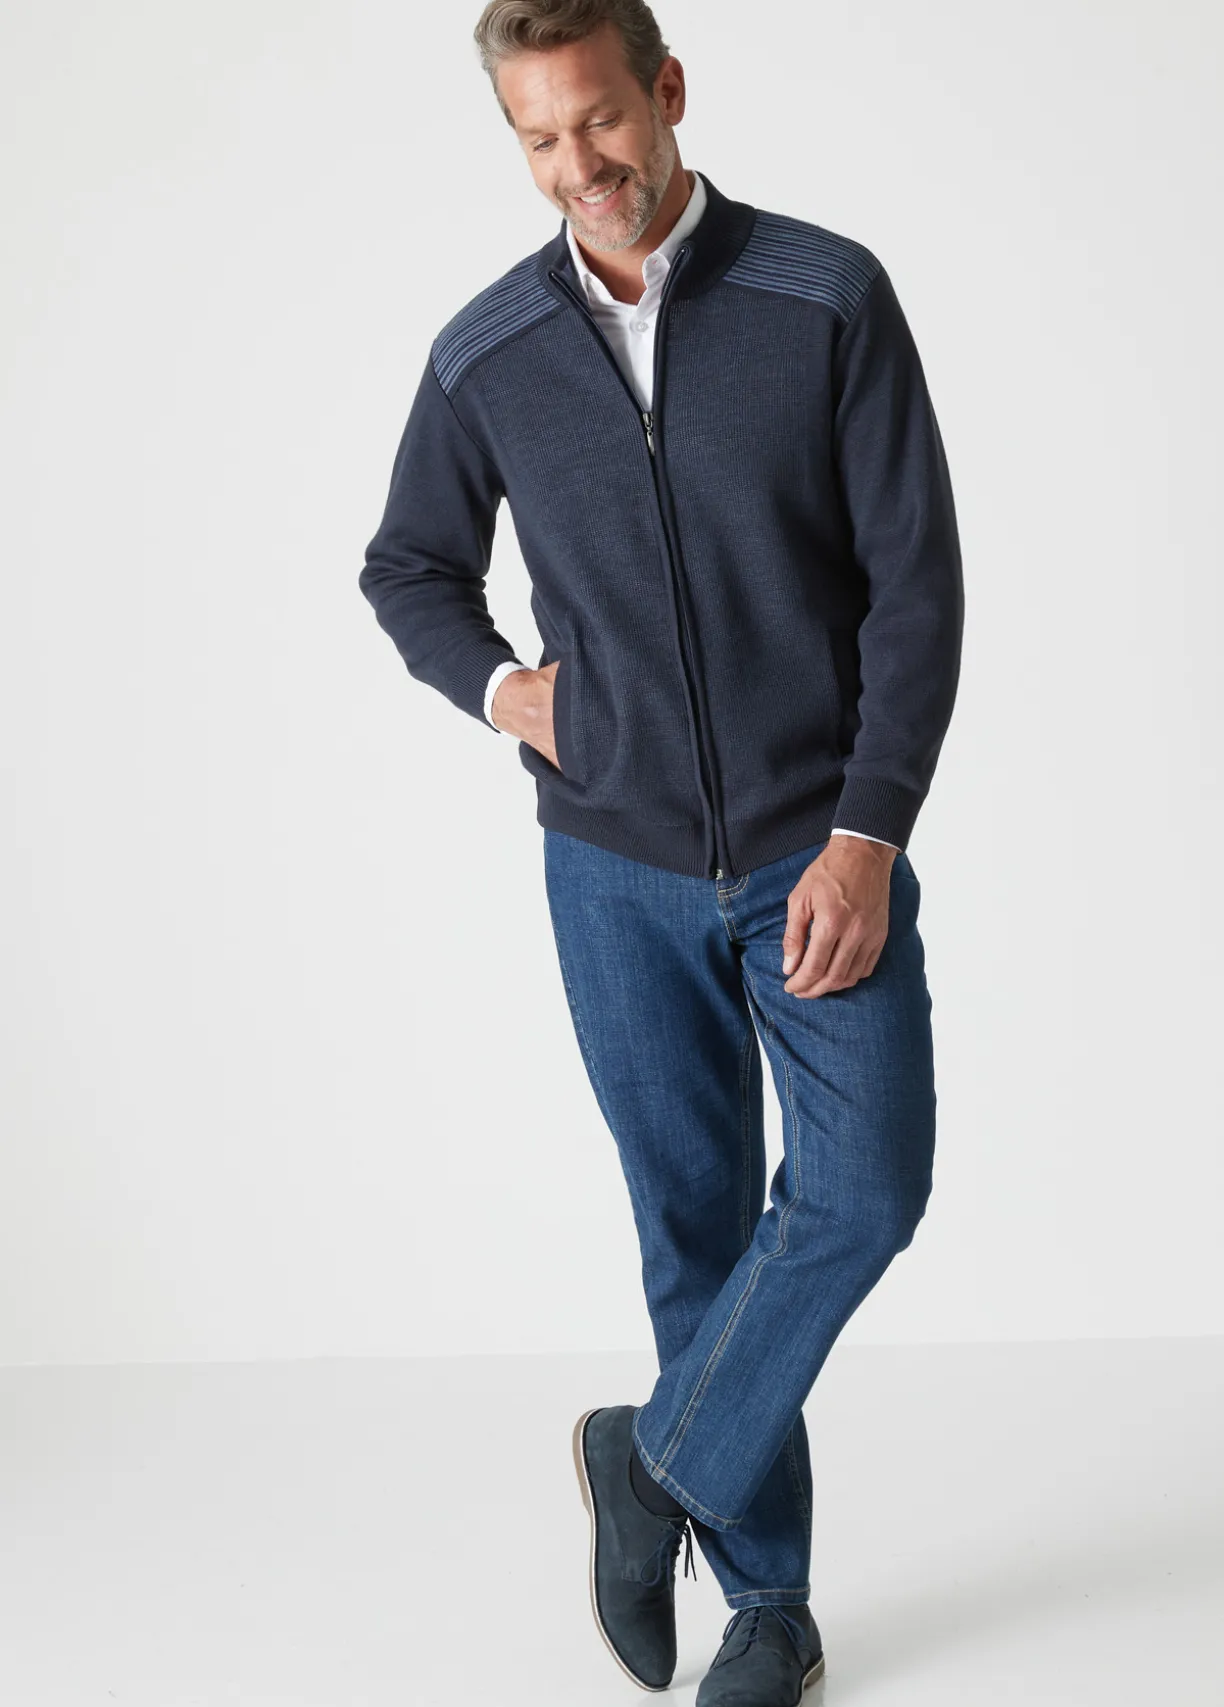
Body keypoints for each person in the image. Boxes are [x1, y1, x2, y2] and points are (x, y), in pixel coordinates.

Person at [359, 3, 964, 1701]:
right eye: (540, 138)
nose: (582, 166)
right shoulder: (490, 350)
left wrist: (868, 831)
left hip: (812, 847)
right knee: (691, 1222)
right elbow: (407, 566)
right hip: (612, 868)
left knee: (863, 1186)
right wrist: (506, 692)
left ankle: (651, 1458)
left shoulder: (824, 296)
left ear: (668, 92)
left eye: (602, 121)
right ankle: (770, 1606)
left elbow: (917, 585)